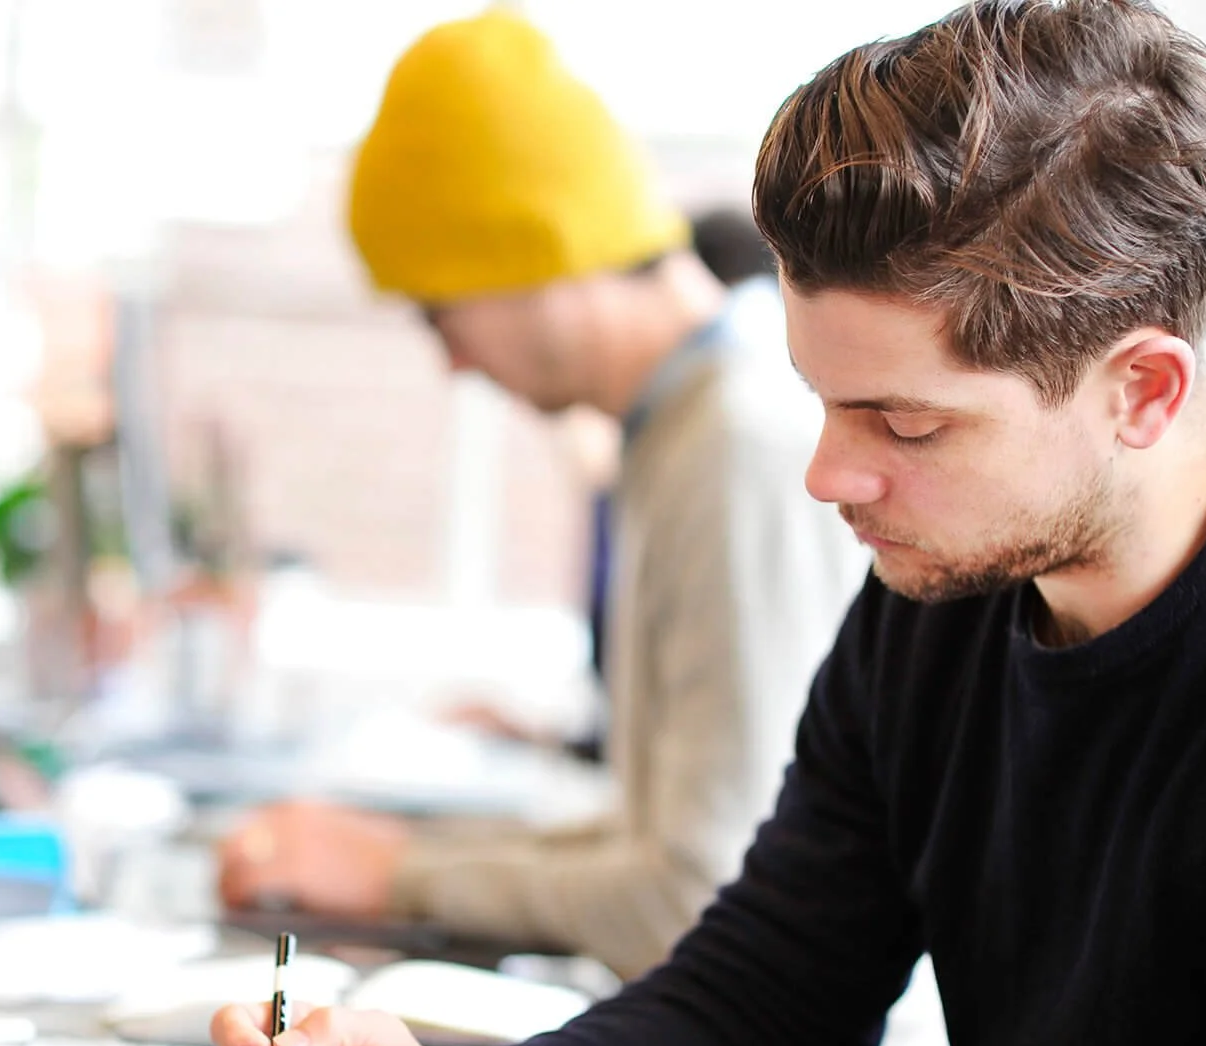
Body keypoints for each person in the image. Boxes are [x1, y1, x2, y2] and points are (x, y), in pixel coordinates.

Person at [208, 2, 1206, 1046]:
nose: (831, 475)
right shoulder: (950, 583)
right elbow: (769, 982)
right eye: (824, 400)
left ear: (1143, 391)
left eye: (906, 421)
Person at [217, 10, 867, 981]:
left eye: (440, 310)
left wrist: (400, 874)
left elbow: (697, 892)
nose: (450, 361)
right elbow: (668, 834)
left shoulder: (734, 440)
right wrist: (395, 851)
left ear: (532, 253)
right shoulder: (678, 426)